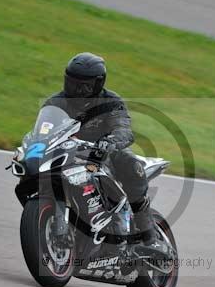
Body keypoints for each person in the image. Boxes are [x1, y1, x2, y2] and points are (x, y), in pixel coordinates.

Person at [43, 52, 156, 246]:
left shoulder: (110, 101)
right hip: (69, 154)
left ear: (98, 83)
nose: (78, 89)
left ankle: (149, 236)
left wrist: (110, 142)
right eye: (73, 83)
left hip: (104, 153)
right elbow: (43, 129)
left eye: (85, 85)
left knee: (132, 166)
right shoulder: (55, 103)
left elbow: (123, 128)